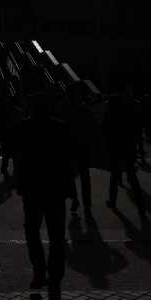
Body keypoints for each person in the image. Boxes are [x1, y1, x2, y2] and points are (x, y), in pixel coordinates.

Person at [9, 92, 73, 300]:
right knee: (56, 234)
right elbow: (68, 159)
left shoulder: (22, 127)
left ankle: (38, 270)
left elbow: (13, 151)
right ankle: (55, 276)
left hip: (32, 186)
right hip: (55, 187)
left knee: (32, 229)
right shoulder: (60, 127)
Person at [54, 83, 96, 215]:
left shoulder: (61, 106)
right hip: (81, 143)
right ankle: (87, 204)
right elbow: (93, 120)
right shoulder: (82, 105)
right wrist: (86, 134)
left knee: (69, 174)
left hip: (68, 145)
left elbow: (56, 124)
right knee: (84, 175)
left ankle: (74, 198)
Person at [101, 94, 145, 214]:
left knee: (114, 176)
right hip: (127, 148)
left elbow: (103, 131)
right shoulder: (128, 113)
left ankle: (113, 200)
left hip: (114, 148)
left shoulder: (109, 115)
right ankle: (140, 203)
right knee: (132, 176)